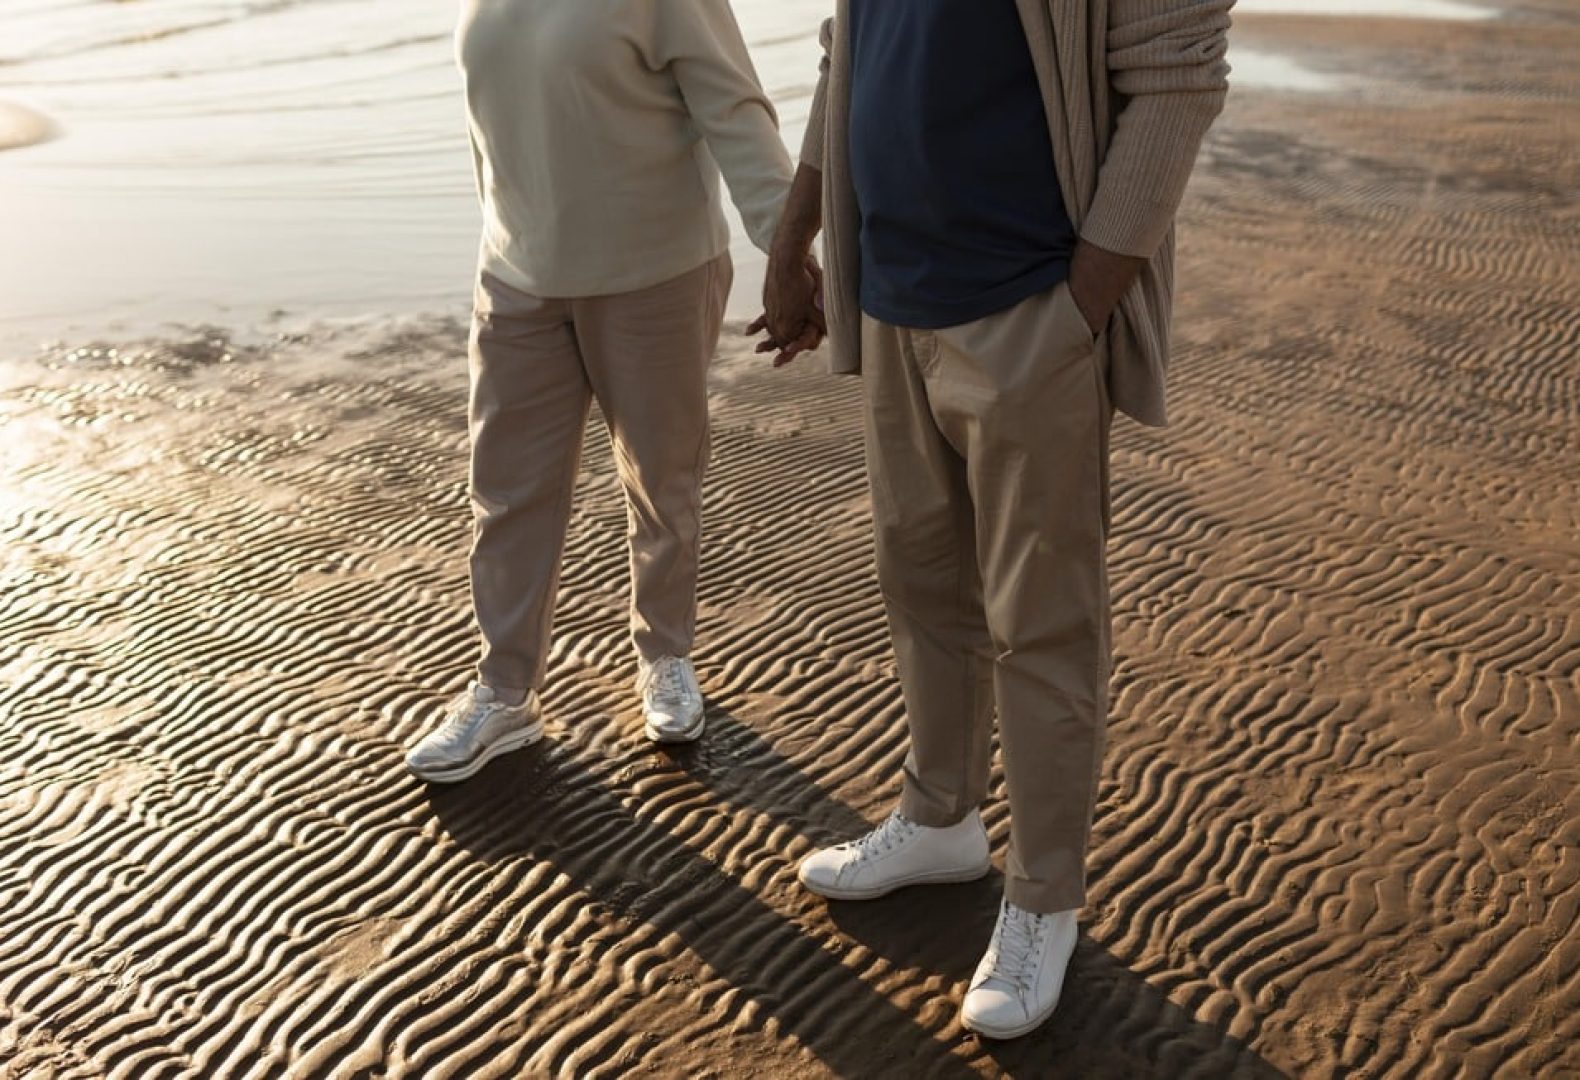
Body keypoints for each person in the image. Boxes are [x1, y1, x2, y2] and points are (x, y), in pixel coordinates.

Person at [755, 0, 1232, 1040]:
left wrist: (1083, 304)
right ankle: (939, 819)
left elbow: (1176, 73)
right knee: (921, 582)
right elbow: (849, 48)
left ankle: (1041, 899)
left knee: (1041, 619)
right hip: (892, 298)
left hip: (1027, 306)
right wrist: (796, 231)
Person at [406, 0, 801, 782]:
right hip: (517, 276)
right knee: (506, 491)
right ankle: (505, 689)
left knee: (661, 479)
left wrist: (786, 247)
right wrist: (503, 238)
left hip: (653, 275)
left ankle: (665, 656)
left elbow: (736, 107)